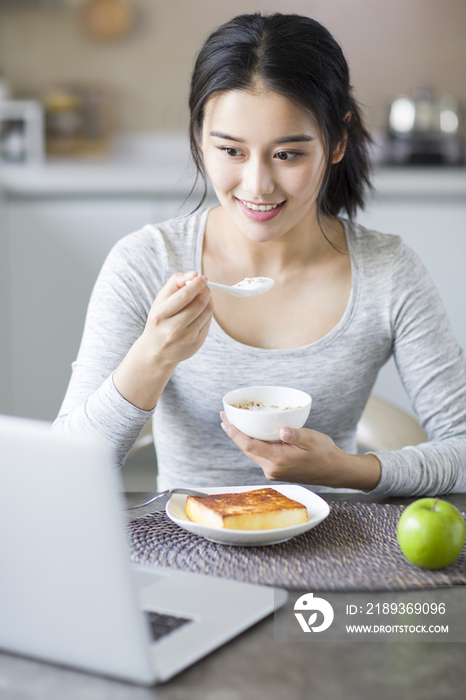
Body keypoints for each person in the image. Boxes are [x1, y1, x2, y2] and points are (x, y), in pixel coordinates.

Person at [54, 13, 466, 497]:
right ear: (198, 138)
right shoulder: (146, 262)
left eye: (288, 154)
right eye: (231, 151)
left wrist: (347, 470)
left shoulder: (389, 272)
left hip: (337, 554)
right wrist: (152, 356)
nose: (257, 186)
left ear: (337, 141)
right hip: (187, 552)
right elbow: (66, 466)